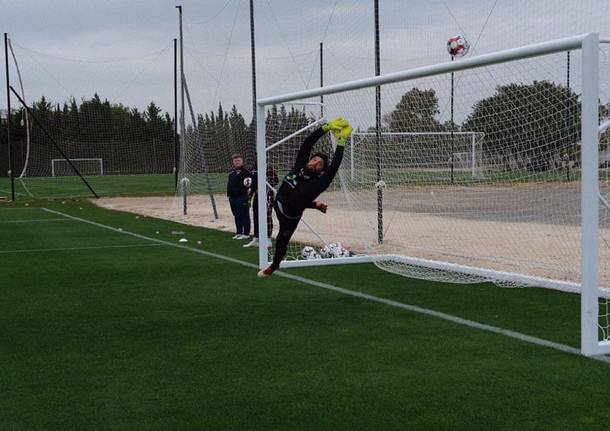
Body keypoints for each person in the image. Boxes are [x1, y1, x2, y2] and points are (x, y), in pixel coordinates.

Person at [257, 117, 352, 278]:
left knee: (282, 241)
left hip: (289, 216)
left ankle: (274, 266)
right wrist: (326, 127)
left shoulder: (319, 183)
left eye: (320, 164)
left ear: (321, 170)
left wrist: (341, 142)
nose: (316, 163)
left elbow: (334, 167)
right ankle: (315, 205)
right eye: (315, 159)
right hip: (279, 202)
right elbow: (308, 143)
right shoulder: (299, 166)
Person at [243, 164, 278, 248]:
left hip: (268, 195)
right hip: (257, 195)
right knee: (256, 217)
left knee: (267, 217)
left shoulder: (268, 168)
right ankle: (256, 239)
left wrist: (267, 183)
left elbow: (276, 180)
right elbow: (253, 185)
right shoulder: (254, 170)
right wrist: (250, 196)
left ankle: (268, 240)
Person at [227, 154, 252, 239]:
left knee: (244, 215)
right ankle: (239, 232)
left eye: (238, 160)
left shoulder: (246, 171)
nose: (237, 162)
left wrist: (249, 192)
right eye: (235, 161)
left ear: (242, 161)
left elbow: (250, 182)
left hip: (242, 197)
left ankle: (246, 234)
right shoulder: (232, 172)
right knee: (236, 215)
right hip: (232, 197)